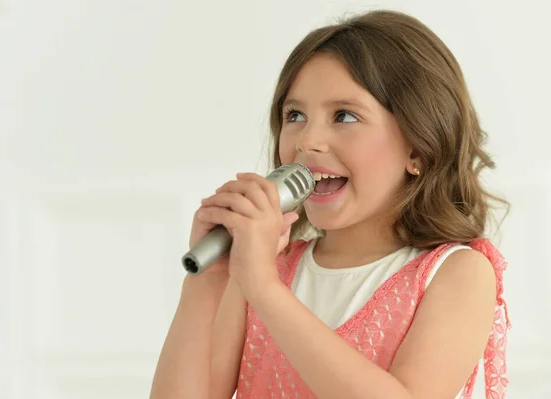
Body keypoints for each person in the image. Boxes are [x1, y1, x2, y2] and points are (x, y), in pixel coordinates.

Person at [150, 9, 510, 399]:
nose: (309, 141)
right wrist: (208, 281)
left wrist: (266, 289)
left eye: (344, 116)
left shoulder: (458, 274)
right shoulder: (261, 270)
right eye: (295, 115)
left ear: (419, 148)